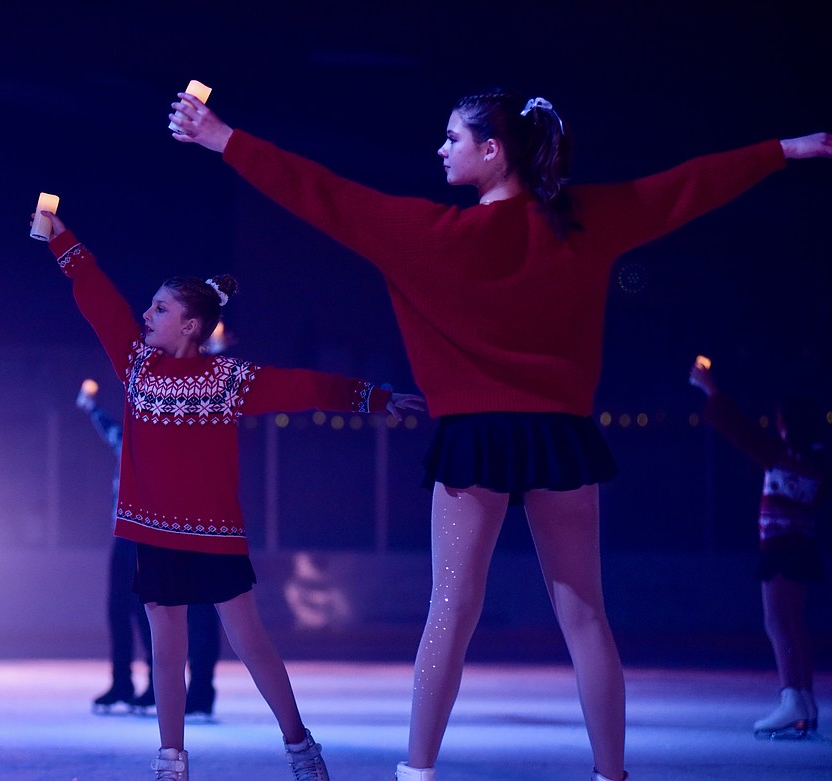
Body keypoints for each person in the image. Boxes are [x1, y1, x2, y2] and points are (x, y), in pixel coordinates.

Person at [168, 87, 832, 781]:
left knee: (449, 613)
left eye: (452, 137)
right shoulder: (582, 222)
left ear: (493, 150)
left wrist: (224, 139)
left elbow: (319, 192)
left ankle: (417, 772)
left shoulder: (426, 234)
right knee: (585, 618)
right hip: (560, 438)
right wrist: (784, 150)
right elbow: (685, 188)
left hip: (476, 441)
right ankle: (612, 775)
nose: (440, 148)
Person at [37, 208, 424, 781]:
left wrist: (373, 397)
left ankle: (299, 746)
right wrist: (59, 235)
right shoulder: (136, 365)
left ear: (191, 324)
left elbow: (304, 387)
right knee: (166, 652)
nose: (146, 314)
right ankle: (171, 762)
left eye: (161, 308)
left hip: (214, 536)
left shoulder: (228, 380)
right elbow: (98, 296)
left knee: (252, 643)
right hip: (151, 534)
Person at [688, 359, 827, 739]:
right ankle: (804, 698)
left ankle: (790, 697)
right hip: (802, 548)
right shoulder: (815, 462)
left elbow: (739, 428)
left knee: (777, 622)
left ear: (788, 424)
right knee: (794, 623)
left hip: (781, 548)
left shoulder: (782, 456)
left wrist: (709, 387)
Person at [77, 382, 223, 719]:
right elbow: (114, 433)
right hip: (129, 533)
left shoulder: (181, 432)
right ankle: (128, 683)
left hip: (178, 529)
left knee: (194, 611)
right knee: (123, 608)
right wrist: (92, 408)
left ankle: (197, 690)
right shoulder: (133, 438)